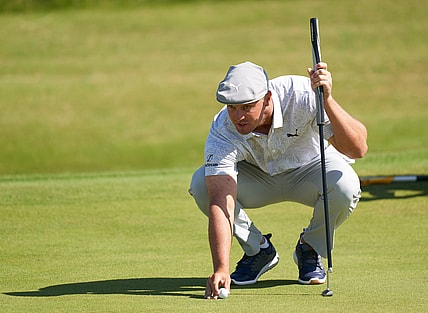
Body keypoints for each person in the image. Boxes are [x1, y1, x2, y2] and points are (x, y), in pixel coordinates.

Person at [189, 61, 368, 299]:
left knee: (345, 184)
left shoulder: (304, 95)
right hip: (257, 177)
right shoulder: (223, 128)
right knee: (202, 183)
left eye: (247, 106)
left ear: (267, 97)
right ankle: (257, 250)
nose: (238, 116)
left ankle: (310, 246)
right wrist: (220, 267)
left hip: (310, 169)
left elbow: (357, 149)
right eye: (232, 107)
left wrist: (327, 101)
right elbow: (222, 202)